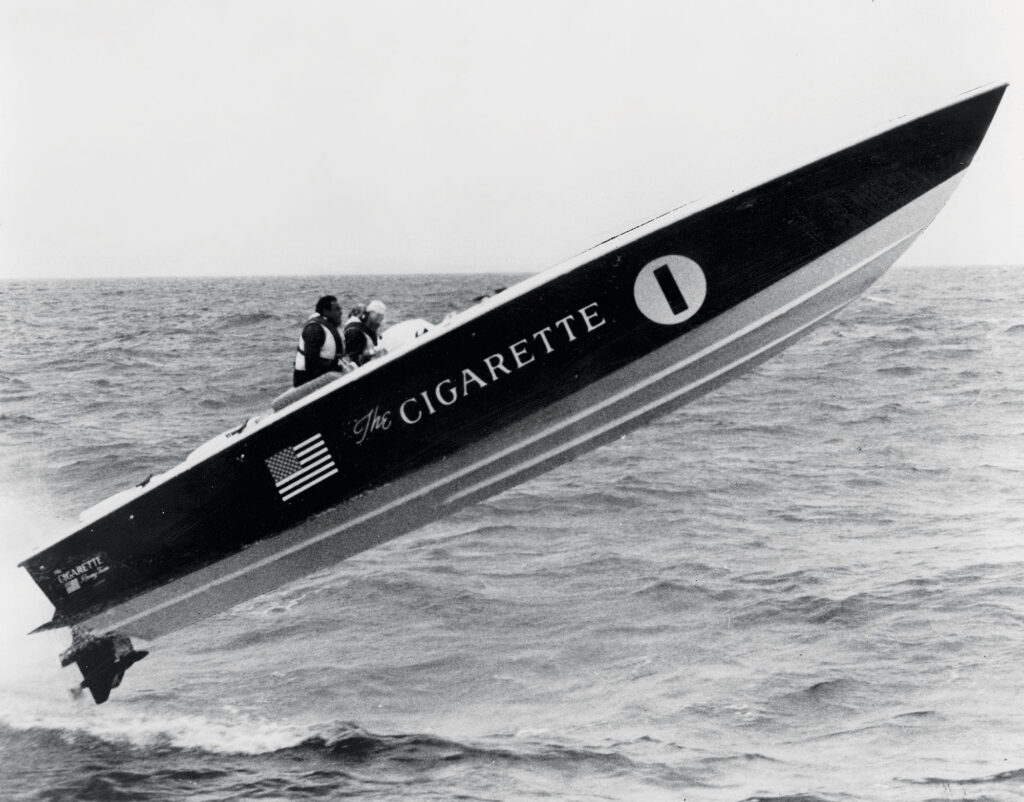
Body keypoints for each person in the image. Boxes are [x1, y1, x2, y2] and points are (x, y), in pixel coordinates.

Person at [292, 295, 346, 387]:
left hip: (324, 374)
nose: (340, 312)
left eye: (340, 309)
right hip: (305, 379)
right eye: (336, 309)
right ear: (326, 311)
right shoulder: (314, 329)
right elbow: (311, 364)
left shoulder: (329, 326)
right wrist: (334, 365)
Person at [343, 299, 387, 367]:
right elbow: (354, 357)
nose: (377, 326)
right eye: (377, 323)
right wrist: (373, 352)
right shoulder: (355, 331)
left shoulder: (365, 328)